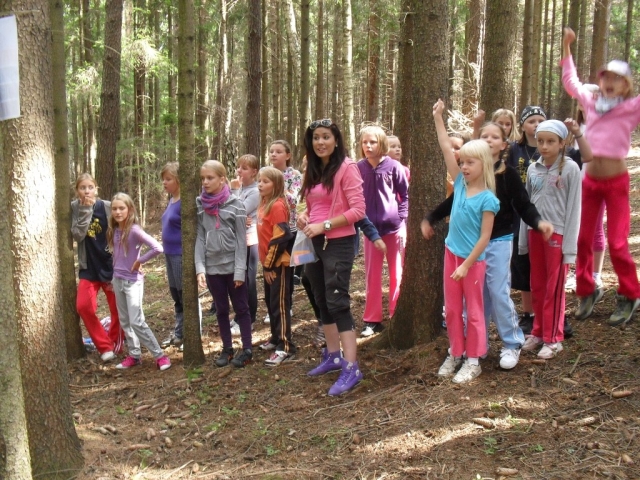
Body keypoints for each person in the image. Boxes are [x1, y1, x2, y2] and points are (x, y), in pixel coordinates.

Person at [424, 120, 555, 370]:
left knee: (497, 291)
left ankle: (511, 342)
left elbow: (523, 204)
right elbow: (452, 202)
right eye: (484, 135)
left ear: (504, 145)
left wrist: (539, 223)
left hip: (498, 241)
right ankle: (478, 345)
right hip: (469, 246)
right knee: (477, 297)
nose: (489, 140)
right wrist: (431, 217)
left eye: (495, 137)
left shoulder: (507, 175)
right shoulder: (467, 176)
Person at [562, 27, 640, 326]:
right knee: (582, 238)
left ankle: (630, 294)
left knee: (618, 242)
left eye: (617, 78)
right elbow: (571, 82)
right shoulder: (590, 101)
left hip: (616, 182)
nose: (609, 82)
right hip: (590, 182)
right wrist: (566, 46)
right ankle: (586, 290)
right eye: (606, 76)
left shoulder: (631, 108)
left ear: (625, 85)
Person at [431, 99, 500, 383]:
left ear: (484, 164)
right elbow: (446, 147)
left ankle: (473, 360)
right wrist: (438, 117)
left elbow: (485, 237)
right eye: (462, 163)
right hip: (452, 254)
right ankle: (455, 352)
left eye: (471, 162)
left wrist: (466, 265)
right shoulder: (459, 182)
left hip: (472, 263)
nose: (464, 166)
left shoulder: (488, 199)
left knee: (473, 311)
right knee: (452, 310)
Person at [298, 118, 366, 396]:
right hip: (314, 241)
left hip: (338, 242)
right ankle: (333, 355)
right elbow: (313, 206)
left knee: (337, 300)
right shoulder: (314, 169)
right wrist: (305, 217)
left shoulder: (347, 168)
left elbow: (358, 210)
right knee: (321, 298)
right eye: (316, 138)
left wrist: (324, 225)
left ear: (336, 140)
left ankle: (352, 366)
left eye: (326, 137)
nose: (320, 142)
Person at [519, 120, 583, 358]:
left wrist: (570, 248)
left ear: (562, 143)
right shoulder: (533, 169)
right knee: (537, 284)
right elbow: (526, 205)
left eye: (550, 141)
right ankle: (538, 331)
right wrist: (523, 238)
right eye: (541, 141)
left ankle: (554, 338)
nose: (544, 146)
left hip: (558, 234)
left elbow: (574, 208)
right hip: (534, 232)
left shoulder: (570, 169)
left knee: (553, 288)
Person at [195, 160, 253, 368]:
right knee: (221, 309)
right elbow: (200, 237)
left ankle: (247, 349)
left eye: (210, 178)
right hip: (213, 268)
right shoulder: (200, 205)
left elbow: (241, 240)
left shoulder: (236, 205)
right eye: (203, 178)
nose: (205, 182)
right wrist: (200, 268)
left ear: (222, 179)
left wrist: (239, 271)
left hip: (233, 267)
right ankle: (227, 348)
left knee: (241, 308)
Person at [107, 193, 171, 371]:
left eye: (122, 208)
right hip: (117, 280)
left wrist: (139, 261)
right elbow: (116, 255)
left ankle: (160, 356)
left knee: (136, 321)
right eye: (114, 209)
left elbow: (157, 247)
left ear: (130, 210)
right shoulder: (113, 230)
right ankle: (134, 355)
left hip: (132, 282)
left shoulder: (134, 230)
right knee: (125, 321)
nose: (118, 212)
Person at [357, 126, 409, 337]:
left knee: (397, 273)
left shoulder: (394, 166)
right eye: (365, 142)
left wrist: (401, 217)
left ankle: (395, 313)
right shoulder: (359, 168)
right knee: (372, 275)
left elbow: (405, 195)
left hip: (395, 229)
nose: (368, 146)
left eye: (373, 142)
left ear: (382, 144)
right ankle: (372, 319)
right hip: (371, 231)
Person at [71, 174, 125, 362]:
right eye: (82, 188)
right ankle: (104, 346)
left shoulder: (108, 206)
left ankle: (115, 343)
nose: (87, 191)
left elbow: (123, 229)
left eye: (90, 187)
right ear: (77, 190)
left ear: (96, 188)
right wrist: (86, 210)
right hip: (89, 267)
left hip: (110, 266)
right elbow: (77, 235)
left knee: (117, 308)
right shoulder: (75, 208)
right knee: (83, 306)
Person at [256, 166, 296, 365]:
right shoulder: (264, 203)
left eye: (265, 181)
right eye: (259, 181)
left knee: (280, 305)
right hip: (268, 264)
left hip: (278, 264)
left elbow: (282, 237)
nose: (260, 184)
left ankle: (285, 346)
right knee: (271, 302)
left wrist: (269, 266)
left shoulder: (278, 206)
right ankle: (275, 337)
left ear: (277, 184)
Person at [265, 140, 302, 325]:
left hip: (289, 228)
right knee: (270, 266)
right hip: (269, 228)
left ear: (287, 155)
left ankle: (287, 304)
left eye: (278, 151)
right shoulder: (266, 173)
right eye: (272, 151)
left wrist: (277, 190)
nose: (274, 154)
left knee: (287, 268)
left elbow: (294, 199)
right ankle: (272, 307)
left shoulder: (294, 175)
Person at [229, 154, 260, 336]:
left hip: (250, 240)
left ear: (254, 172)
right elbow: (226, 211)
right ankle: (240, 315)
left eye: (244, 168)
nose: (239, 171)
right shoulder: (237, 188)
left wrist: (234, 192)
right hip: (236, 240)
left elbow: (238, 211)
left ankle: (250, 319)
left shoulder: (255, 191)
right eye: (239, 167)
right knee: (237, 280)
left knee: (248, 281)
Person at [159, 162, 185, 350]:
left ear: (178, 179)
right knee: (176, 295)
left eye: (168, 179)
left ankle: (191, 334)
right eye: (163, 179)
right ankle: (179, 332)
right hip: (169, 253)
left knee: (186, 295)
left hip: (180, 255)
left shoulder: (185, 202)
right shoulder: (172, 199)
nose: (164, 183)